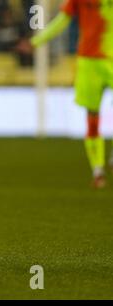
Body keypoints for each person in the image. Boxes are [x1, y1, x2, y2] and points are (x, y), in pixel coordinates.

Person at [30, 0, 113, 188]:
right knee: (92, 117)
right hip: (88, 63)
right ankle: (98, 171)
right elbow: (62, 20)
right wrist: (36, 41)